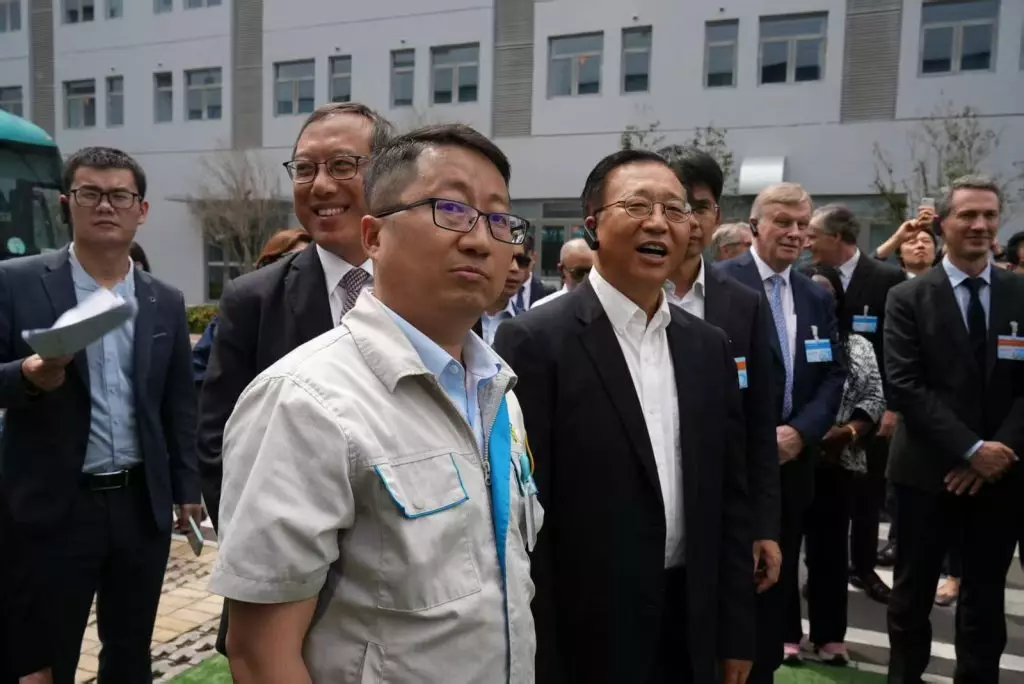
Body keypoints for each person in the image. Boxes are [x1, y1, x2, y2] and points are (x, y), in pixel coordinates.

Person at [208, 123, 541, 682]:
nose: (481, 240)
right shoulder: (306, 401)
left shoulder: (498, 394)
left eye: (499, 219)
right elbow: (261, 654)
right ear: (374, 236)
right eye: (451, 209)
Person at [495, 149, 754, 684]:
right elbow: (524, 515)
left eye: (675, 209)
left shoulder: (708, 347)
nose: (658, 222)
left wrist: (734, 630)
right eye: (637, 206)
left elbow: (729, 495)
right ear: (592, 226)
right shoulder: (536, 342)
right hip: (586, 627)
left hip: (689, 621)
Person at [0, 146, 201, 682]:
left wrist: (186, 487)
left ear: (142, 210)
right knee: (46, 660)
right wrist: (27, 375)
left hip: (139, 506)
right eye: (90, 194)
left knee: (131, 654)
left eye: (119, 196)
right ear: (67, 204)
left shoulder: (164, 299)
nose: (106, 206)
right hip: (54, 507)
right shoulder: (16, 281)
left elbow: (178, 402)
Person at [197, 102, 391, 658]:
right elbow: (218, 445)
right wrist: (271, 560)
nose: (320, 184)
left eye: (343, 165)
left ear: (388, 175)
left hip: (405, 583)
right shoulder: (253, 300)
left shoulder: (425, 288)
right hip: (292, 591)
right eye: (305, 168)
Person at [885, 175, 1024, 684]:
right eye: (968, 215)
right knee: (911, 601)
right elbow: (905, 385)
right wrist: (969, 449)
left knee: (984, 605)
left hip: (1001, 476)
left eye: (989, 215)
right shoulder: (907, 296)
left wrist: (996, 452)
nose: (980, 225)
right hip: (926, 475)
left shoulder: (1019, 292)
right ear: (943, 223)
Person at [715, 182, 845, 679]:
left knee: (777, 576)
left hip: (792, 464)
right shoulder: (720, 284)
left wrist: (799, 434)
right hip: (733, 462)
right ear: (754, 227)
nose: (794, 233)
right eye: (783, 222)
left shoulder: (814, 294)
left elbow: (833, 374)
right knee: (731, 575)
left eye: (802, 225)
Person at [666, 147, 781, 595]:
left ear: (717, 215)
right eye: (678, 207)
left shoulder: (743, 304)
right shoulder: (629, 295)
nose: (691, 221)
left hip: (718, 507)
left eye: (701, 207)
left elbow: (758, 423)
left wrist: (763, 525)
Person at [806, 204, 905, 604]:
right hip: (819, 407)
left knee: (866, 496)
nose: (805, 242)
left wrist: (891, 408)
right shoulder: (805, 277)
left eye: (812, 234)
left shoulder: (886, 278)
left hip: (870, 407)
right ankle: (820, 572)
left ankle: (863, 568)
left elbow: (897, 347)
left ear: (836, 237)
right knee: (820, 499)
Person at [796, 263, 885, 665]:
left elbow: (874, 397)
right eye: (813, 290)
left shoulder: (857, 344)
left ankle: (830, 636)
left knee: (830, 553)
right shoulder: (784, 335)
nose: (822, 298)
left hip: (839, 460)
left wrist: (847, 432)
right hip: (791, 457)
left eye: (828, 292)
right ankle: (785, 632)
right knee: (781, 547)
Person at [191, 229, 312, 388]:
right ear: (269, 263)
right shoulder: (240, 314)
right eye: (293, 258)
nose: (301, 267)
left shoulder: (326, 311)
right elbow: (199, 370)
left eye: (309, 259)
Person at [473, 240, 530, 345]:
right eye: (507, 258)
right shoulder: (456, 319)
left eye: (521, 261)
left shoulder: (528, 326)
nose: (515, 268)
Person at [530, 237, 593, 308]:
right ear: (562, 271)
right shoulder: (543, 309)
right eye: (579, 273)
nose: (587, 280)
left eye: (592, 272)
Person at [510, 231, 554, 310]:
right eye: (509, 259)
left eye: (521, 260)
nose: (514, 267)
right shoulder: (495, 291)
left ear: (534, 258)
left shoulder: (548, 293)